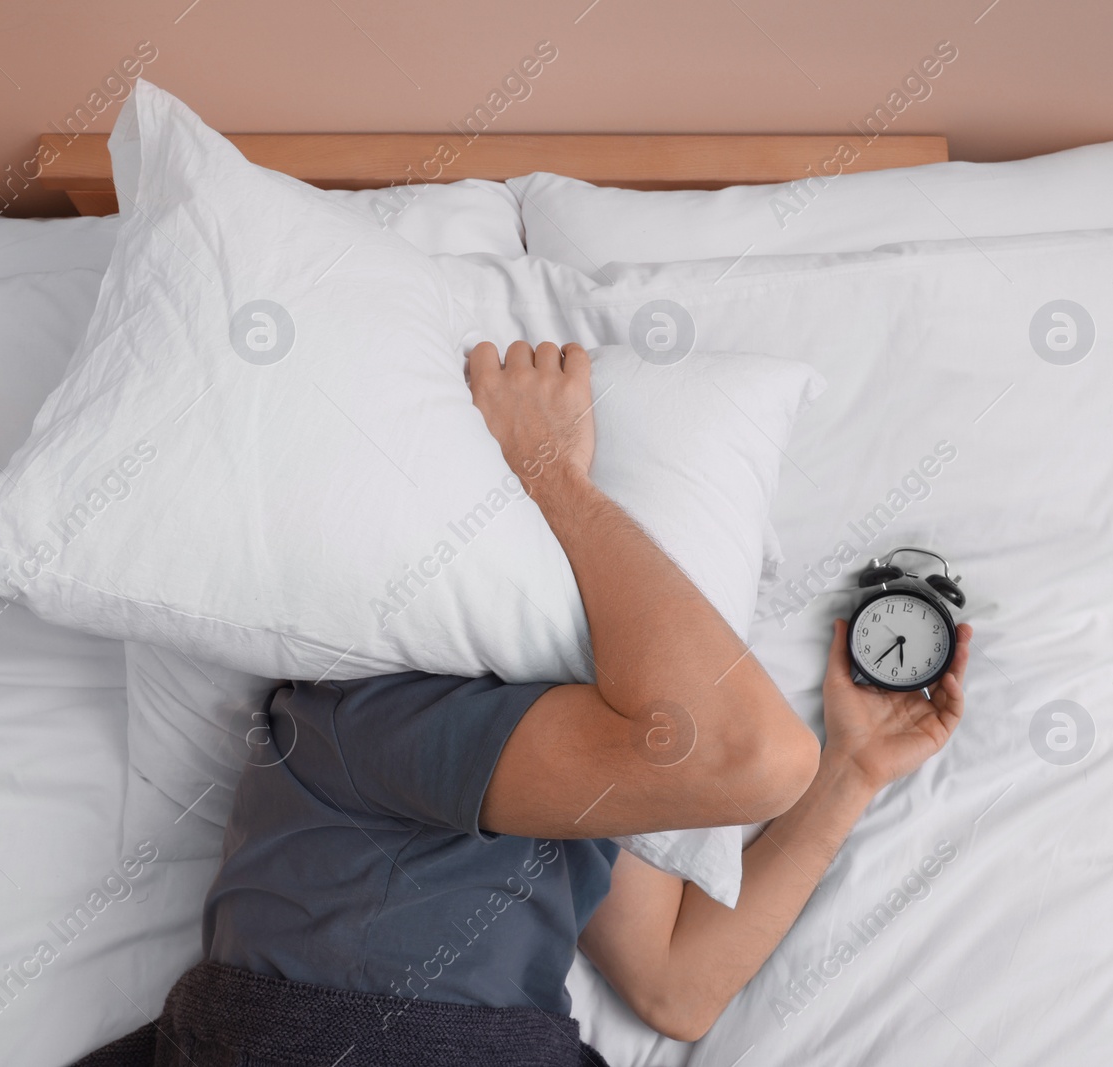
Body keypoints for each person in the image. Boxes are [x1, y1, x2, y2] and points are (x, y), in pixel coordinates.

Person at [77, 341, 970, 1067]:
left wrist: (853, 770)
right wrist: (553, 477)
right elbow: (751, 755)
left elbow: (675, 985)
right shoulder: (365, 724)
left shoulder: (564, 752)